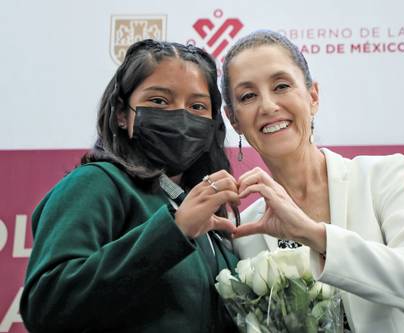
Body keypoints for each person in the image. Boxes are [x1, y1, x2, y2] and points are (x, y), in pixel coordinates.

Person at [221, 30, 404, 333]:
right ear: (233, 119)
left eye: (281, 86)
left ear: (312, 96)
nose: (268, 106)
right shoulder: (246, 231)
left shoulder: (380, 177)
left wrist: (314, 234)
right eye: (248, 96)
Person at [20, 39, 241, 333]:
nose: (181, 115)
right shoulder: (96, 183)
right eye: (159, 101)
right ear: (122, 115)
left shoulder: (204, 215)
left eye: (197, 106)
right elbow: (46, 305)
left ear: (213, 123)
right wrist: (174, 231)